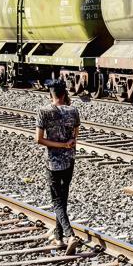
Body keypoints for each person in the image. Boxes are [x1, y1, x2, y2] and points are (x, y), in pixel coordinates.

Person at [35, 79, 80, 255]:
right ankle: (58, 237)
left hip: (53, 162)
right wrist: (67, 144)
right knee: (62, 199)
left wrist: (59, 145)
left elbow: (38, 139)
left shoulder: (43, 111)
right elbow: (75, 137)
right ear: (64, 93)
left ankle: (70, 235)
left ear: (51, 94)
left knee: (56, 201)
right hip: (69, 160)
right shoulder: (73, 110)